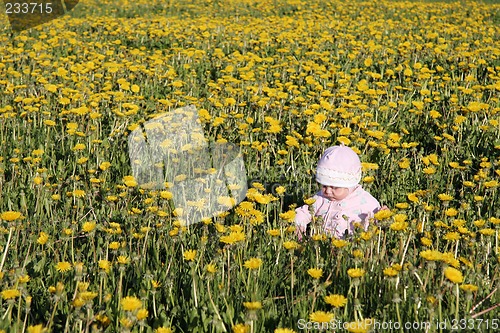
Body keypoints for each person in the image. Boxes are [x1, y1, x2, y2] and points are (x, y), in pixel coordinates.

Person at [295, 145, 385, 239]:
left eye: (335, 187)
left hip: (351, 246)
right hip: (322, 243)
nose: (328, 191)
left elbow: (376, 223)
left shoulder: (366, 201)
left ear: (350, 185)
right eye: (324, 186)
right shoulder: (320, 198)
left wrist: (381, 217)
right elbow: (303, 212)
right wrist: (298, 226)